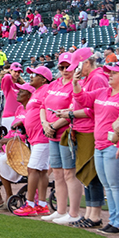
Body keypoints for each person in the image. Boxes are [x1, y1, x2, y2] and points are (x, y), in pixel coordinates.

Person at [55, 51, 108, 228]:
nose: (75, 70)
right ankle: (90, 214)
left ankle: (95, 215)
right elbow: (81, 102)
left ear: (86, 63)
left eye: (77, 65)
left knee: (91, 174)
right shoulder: (87, 78)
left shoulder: (97, 78)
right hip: (80, 128)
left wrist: (70, 114)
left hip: (90, 130)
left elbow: (93, 110)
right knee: (86, 173)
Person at [73, 61, 119, 234]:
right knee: (108, 185)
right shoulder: (103, 92)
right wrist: (75, 83)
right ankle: (114, 219)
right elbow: (82, 100)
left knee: (116, 185)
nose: (109, 75)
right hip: (99, 145)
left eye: (114, 73)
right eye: (108, 72)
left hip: (114, 145)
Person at [40, 52, 81, 225]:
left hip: (66, 133)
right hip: (52, 132)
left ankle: (73, 213)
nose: (65, 70)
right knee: (57, 173)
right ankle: (61, 210)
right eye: (62, 67)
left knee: (69, 173)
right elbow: (43, 106)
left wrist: (53, 126)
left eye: (68, 67)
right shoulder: (54, 84)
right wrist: (44, 124)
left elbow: (73, 110)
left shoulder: (75, 85)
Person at [13, 66, 53, 217]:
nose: (31, 76)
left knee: (33, 169)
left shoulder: (47, 90)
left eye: (35, 75)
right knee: (41, 171)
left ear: (43, 79)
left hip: (42, 136)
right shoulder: (37, 91)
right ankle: (42, 204)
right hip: (35, 136)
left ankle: (30, 204)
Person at [0, 62, 25, 130]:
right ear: (10, 71)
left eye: (19, 72)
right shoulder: (8, 85)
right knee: (8, 139)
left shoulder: (21, 85)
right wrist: (9, 72)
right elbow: (7, 77)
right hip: (9, 116)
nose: (17, 74)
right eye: (15, 71)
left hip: (20, 116)